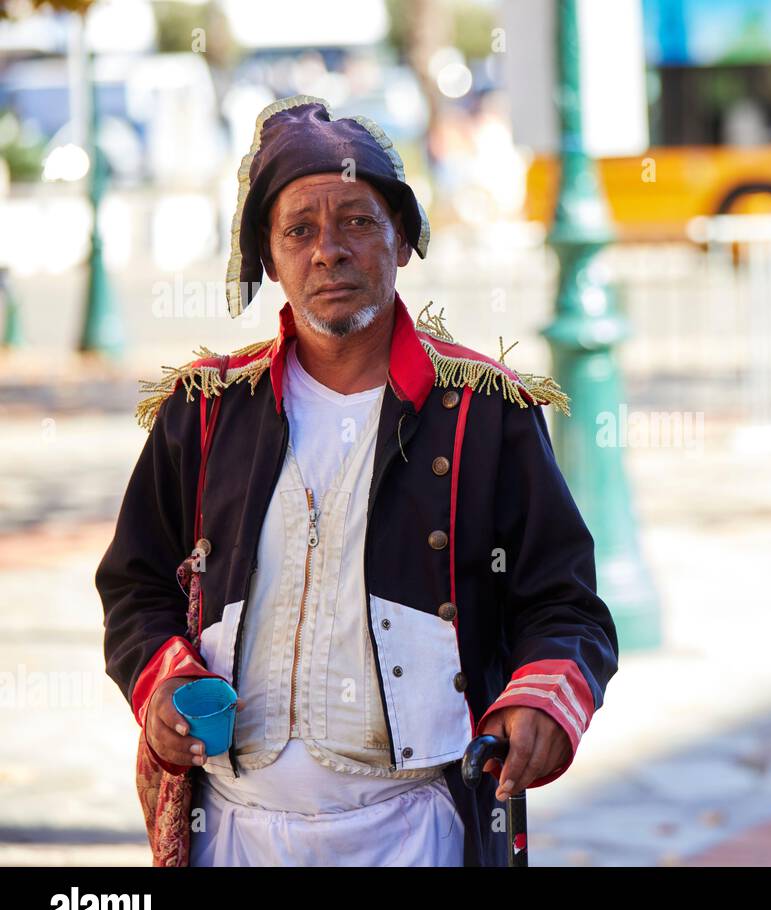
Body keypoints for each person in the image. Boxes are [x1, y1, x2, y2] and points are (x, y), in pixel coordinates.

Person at [95, 95, 619, 866]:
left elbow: (564, 602)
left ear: (401, 239)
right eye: (299, 229)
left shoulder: (484, 411)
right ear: (269, 259)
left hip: (415, 832)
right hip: (233, 834)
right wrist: (165, 686)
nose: (329, 250)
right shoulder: (204, 412)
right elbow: (137, 586)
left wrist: (541, 700)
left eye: (358, 221)